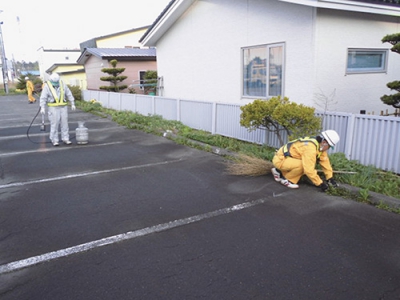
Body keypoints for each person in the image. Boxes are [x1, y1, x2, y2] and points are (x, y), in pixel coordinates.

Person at [271, 130, 340, 191]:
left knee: (305, 164)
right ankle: (287, 179)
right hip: (281, 159)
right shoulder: (310, 148)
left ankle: (278, 171)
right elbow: (308, 170)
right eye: (329, 146)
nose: (328, 148)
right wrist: (320, 183)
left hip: (287, 159)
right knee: (304, 165)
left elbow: (325, 162)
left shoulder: (318, 146)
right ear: (324, 142)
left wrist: (330, 178)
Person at [40, 73, 76, 146]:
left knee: (65, 124)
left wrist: (72, 103)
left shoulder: (62, 84)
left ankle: (65, 138)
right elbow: (43, 97)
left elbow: (69, 93)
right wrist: (42, 107)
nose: (55, 84)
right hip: (53, 108)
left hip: (63, 107)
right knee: (54, 124)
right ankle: (54, 140)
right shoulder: (47, 86)